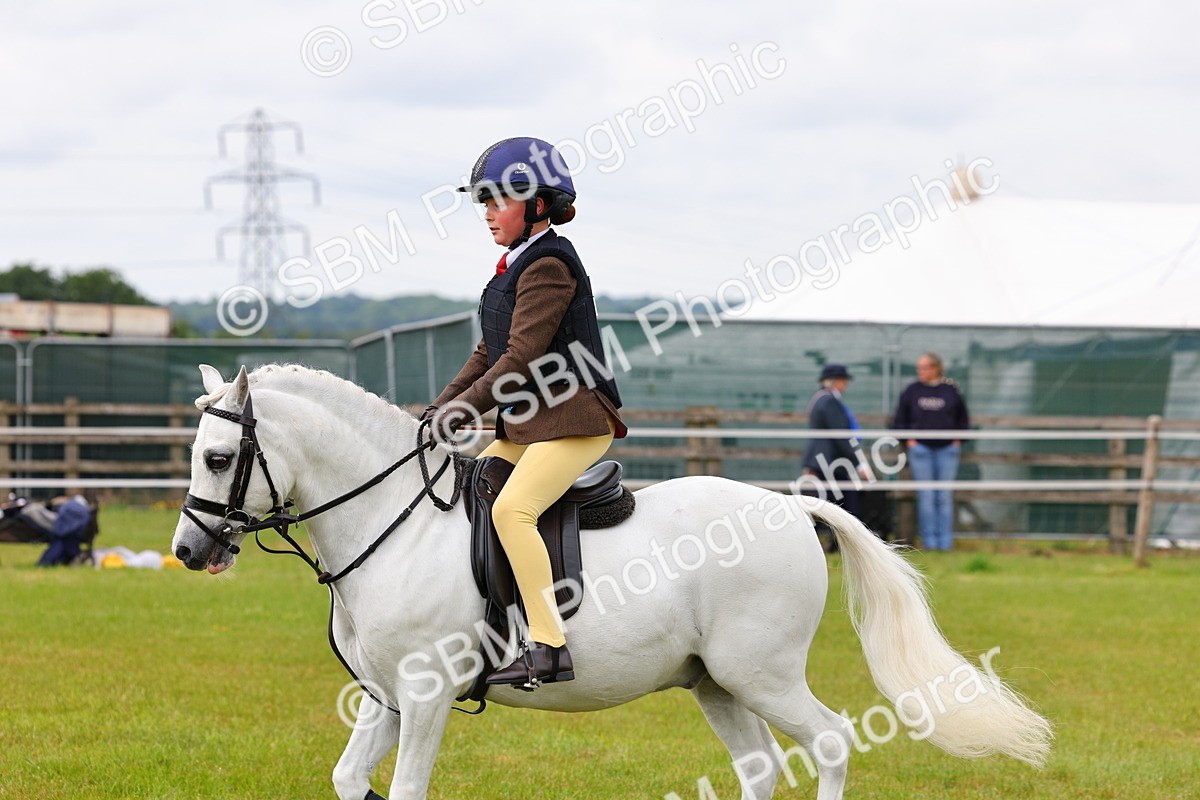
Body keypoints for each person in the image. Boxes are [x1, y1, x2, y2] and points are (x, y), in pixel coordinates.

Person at [422, 137, 626, 689]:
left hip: (575, 421)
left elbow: (518, 359)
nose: (487, 213)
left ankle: (549, 648)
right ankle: (491, 621)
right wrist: (440, 408)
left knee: (513, 510)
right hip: (531, 424)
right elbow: (487, 352)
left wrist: (460, 415)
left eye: (498, 201)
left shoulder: (549, 267)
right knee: (472, 486)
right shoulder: (512, 267)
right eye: (482, 202)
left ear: (537, 206)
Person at [893, 352, 970, 551]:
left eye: (925, 367)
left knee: (943, 496)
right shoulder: (912, 391)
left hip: (947, 451)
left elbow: (963, 419)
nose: (921, 371)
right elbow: (899, 420)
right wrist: (909, 440)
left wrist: (957, 440)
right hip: (921, 451)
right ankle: (930, 543)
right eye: (919, 367)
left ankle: (945, 544)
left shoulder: (951, 391)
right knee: (926, 497)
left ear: (937, 368)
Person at [800, 364, 870, 546]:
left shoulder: (819, 399)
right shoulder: (830, 401)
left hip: (823, 460)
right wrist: (858, 463)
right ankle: (844, 544)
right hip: (831, 462)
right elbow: (841, 436)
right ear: (837, 381)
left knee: (827, 505)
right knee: (843, 507)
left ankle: (833, 544)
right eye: (843, 381)